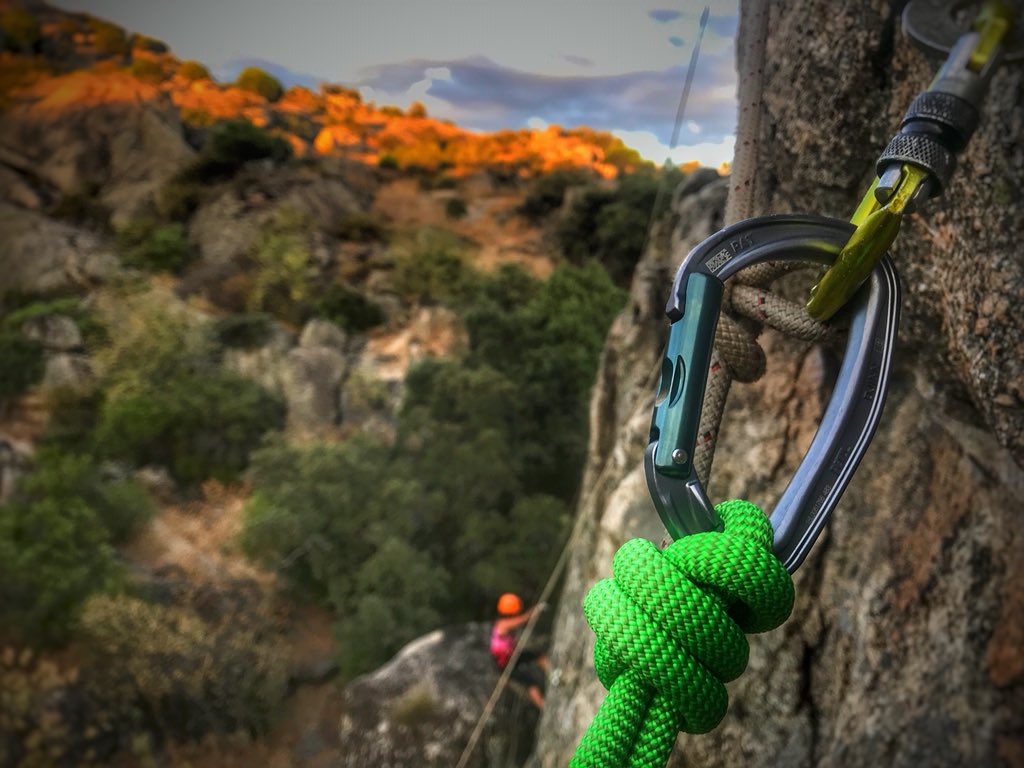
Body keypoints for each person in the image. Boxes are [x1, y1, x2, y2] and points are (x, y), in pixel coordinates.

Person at [490, 592, 549, 709]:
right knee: (530, 682)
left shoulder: (502, 622)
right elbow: (522, 620)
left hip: (511, 657)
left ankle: (553, 675)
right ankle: (544, 707)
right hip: (506, 664)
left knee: (537, 656)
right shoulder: (503, 624)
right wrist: (535, 610)